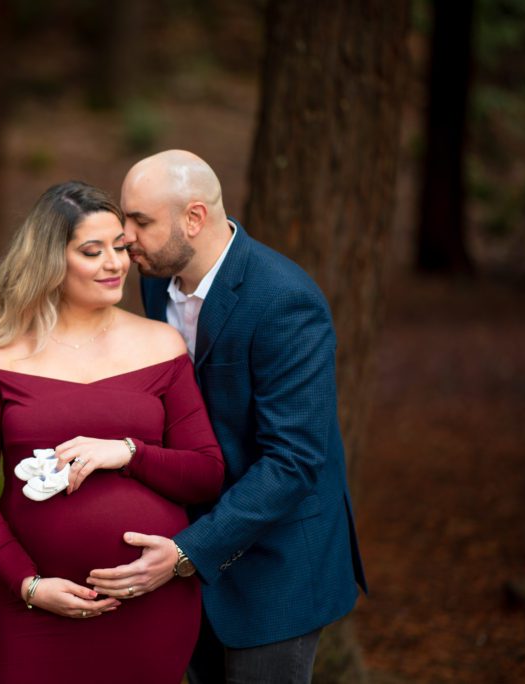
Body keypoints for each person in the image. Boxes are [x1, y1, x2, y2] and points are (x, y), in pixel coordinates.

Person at [87, 150, 366, 683]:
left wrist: (188, 551)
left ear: (194, 218)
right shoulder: (155, 281)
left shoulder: (284, 300)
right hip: (186, 556)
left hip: (278, 564)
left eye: (140, 221)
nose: (125, 237)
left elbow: (294, 461)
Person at [0, 181, 225, 684]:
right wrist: (27, 583)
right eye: (92, 251)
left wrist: (129, 453)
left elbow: (206, 473)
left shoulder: (161, 345)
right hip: (35, 609)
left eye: (120, 247)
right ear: (51, 260)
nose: (114, 263)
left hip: (149, 603)